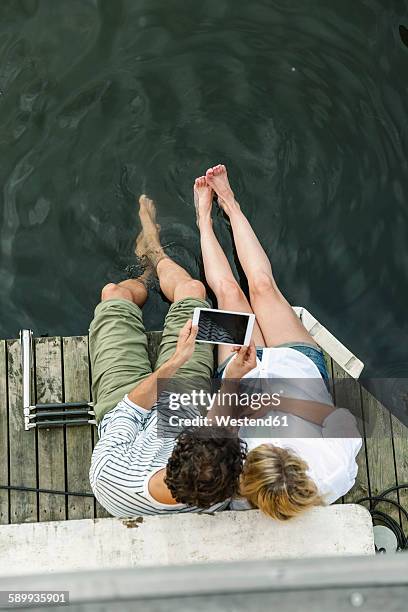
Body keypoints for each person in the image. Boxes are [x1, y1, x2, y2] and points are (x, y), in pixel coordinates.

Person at [195, 164, 362, 521]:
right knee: (263, 287)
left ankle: (204, 219)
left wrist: (236, 386)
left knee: (229, 293)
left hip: (240, 375)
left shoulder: (235, 489)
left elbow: (214, 429)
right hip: (297, 363)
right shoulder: (335, 470)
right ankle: (230, 202)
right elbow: (340, 415)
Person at [89, 194, 246, 517]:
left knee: (113, 294)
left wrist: (176, 360)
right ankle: (156, 256)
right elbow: (216, 427)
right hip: (183, 402)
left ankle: (148, 264)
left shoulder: (109, 473)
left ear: (173, 455)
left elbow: (130, 408)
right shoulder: (217, 492)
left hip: (123, 409)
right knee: (193, 292)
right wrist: (231, 377)